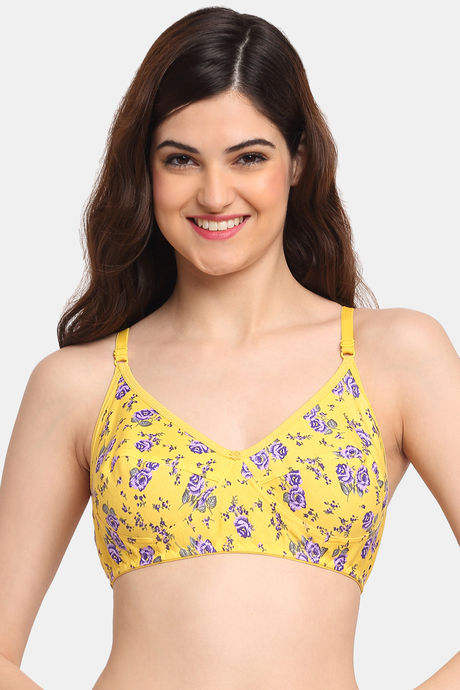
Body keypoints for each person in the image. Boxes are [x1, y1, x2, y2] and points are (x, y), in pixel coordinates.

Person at [1, 6, 459, 689]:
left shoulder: (394, 356)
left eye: (249, 157)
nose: (215, 194)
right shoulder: (77, 384)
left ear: (298, 160)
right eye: (180, 160)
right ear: (145, 170)